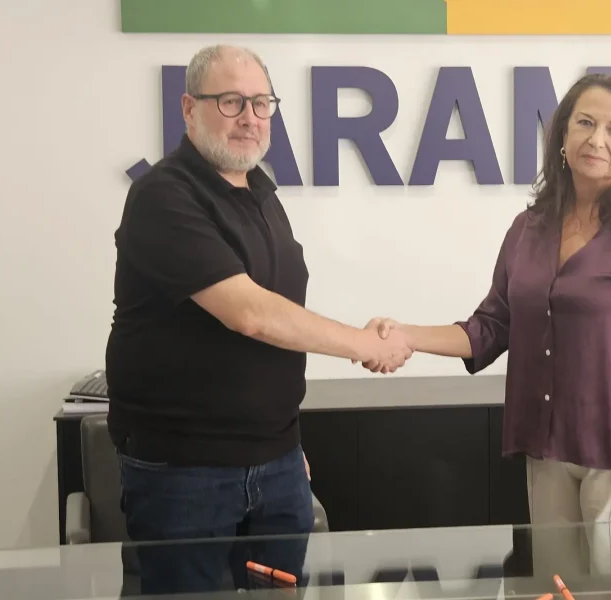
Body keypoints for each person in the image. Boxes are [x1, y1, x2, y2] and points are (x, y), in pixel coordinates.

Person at [105, 44, 412, 595]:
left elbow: (277, 327)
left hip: (277, 465)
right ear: (188, 108)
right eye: (230, 101)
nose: (249, 116)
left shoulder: (264, 194)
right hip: (184, 474)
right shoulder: (163, 196)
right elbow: (251, 314)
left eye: (261, 102)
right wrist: (365, 344)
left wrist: (286, 443)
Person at [365, 73, 611, 525]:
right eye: (585, 123)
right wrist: (406, 336)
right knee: (554, 590)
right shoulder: (528, 227)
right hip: (548, 448)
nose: (596, 139)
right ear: (562, 136)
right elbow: (491, 328)